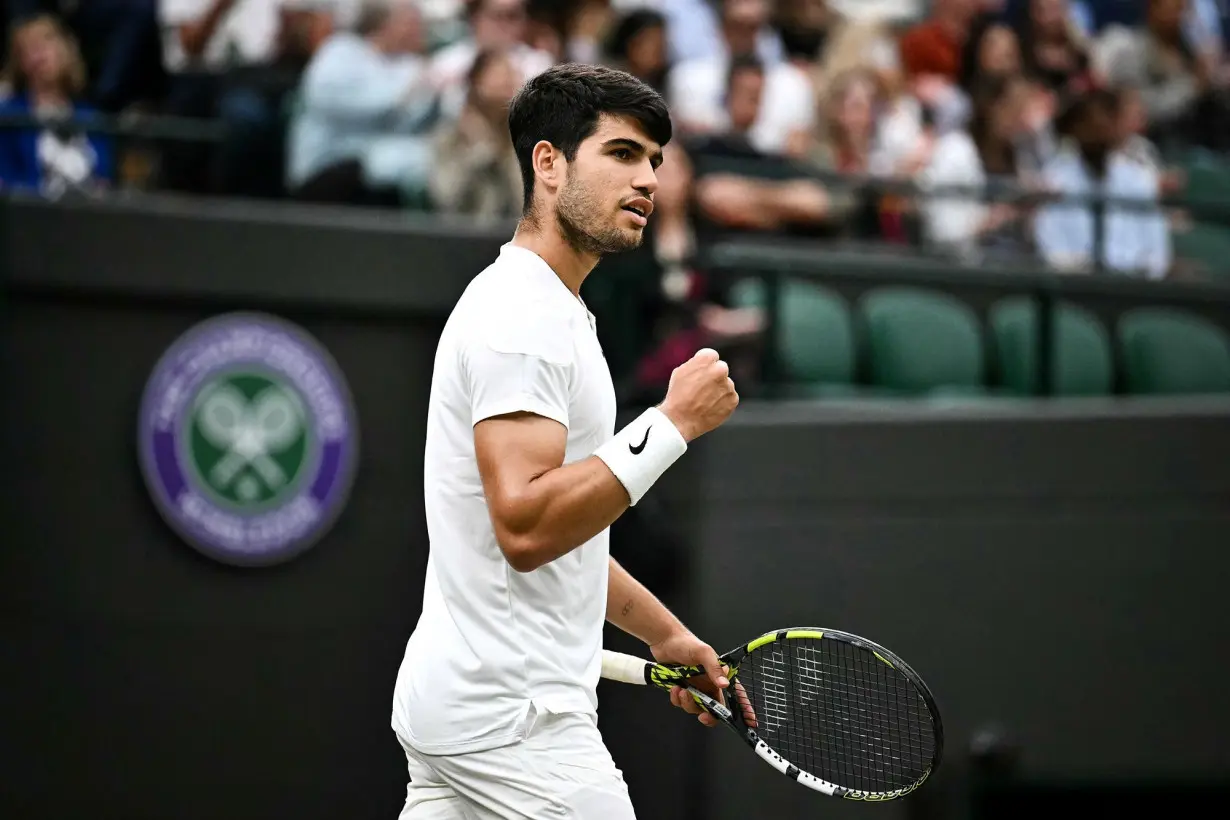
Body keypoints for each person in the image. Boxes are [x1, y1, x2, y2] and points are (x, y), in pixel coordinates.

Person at [390, 62, 745, 820]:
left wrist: (665, 633)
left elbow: (562, 538)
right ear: (548, 163)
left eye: (654, 159)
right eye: (621, 153)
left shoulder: (549, 309)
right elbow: (526, 526)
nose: (648, 177)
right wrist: (672, 424)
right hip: (514, 722)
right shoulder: (523, 317)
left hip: (470, 710)